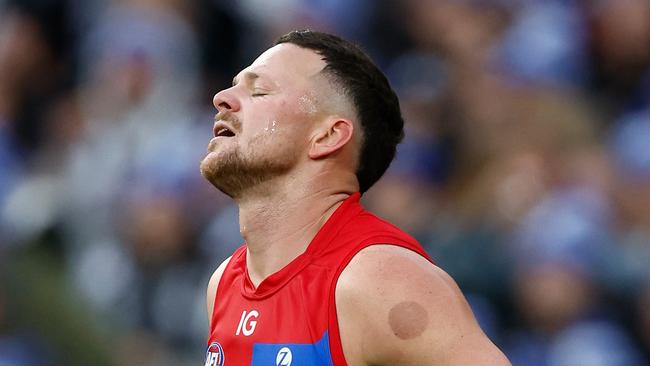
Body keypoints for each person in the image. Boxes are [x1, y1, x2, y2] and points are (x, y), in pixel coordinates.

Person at [201, 30, 510, 366]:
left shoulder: (378, 279)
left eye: (259, 91)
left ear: (328, 136)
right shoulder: (224, 282)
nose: (222, 98)